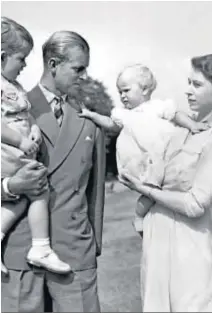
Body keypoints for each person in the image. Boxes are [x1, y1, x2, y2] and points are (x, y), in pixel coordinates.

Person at [1, 30, 106, 313]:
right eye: (78, 68)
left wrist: (91, 243)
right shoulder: (11, 107)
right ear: (53, 64)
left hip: (75, 251)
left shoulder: (89, 117)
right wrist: (9, 187)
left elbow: (94, 190)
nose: (83, 76)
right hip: (19, 249)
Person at [119, 54, 212, 312]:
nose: (188, 90)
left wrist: (144, 189)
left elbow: (195, 204)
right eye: (188, 83)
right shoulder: (181, 130)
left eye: (197, 84)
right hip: (157, 243)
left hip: (192, 247)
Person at [79, 64, 209, 234]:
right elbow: (111, 125)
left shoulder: (158, 106)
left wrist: (193, 125)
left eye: (126, 90)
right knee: (149, 193)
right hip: (140, 162)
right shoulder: (123, 114)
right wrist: (92, 115)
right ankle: (139, 217)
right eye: (120, 92)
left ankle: (176, 219)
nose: (122, 96)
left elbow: (177, 115)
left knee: (172, 185)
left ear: (145, 89)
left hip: (163, 156)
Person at [1, 17, 71, 275]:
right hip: (7, 157)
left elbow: (26, 116)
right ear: (1, 56)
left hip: (17, 161)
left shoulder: (16, 87)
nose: (25, 64)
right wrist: (20, 140)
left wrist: (32, 130)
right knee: (38, 189)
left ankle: (38, 247)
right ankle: (40, 247)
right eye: (21, 58)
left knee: (30, 192)